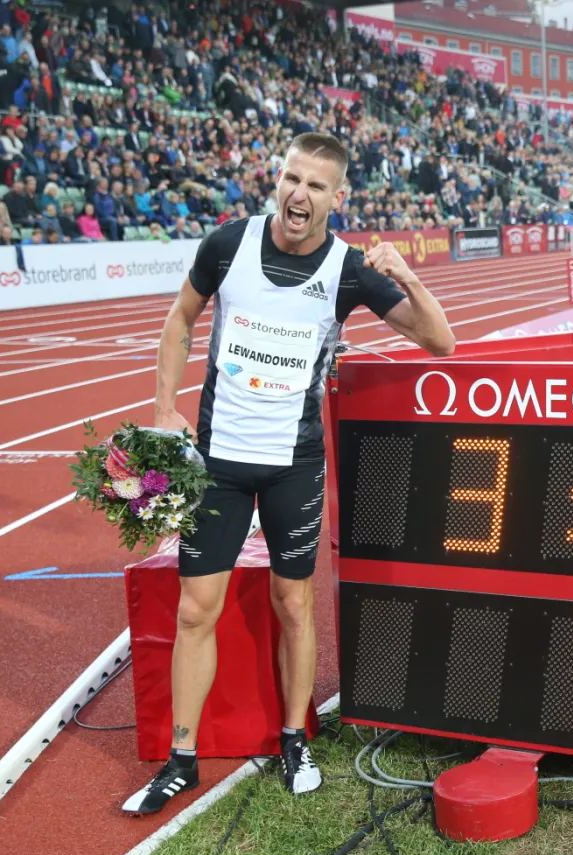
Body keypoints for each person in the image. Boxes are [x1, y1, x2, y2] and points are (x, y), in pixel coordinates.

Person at [126, 132, 455, 816]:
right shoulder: (227, 244)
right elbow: (180, 321)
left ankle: (292, 738)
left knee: (294, 603)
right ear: (277, 180)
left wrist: (409, 275)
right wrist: (163, 407)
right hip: (218, 461)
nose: (297, 195)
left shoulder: (348, 270)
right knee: (194, 608)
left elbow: (439, 342)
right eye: (290, 178)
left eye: (314, 185)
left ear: (337, 198)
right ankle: (180, 759)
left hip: (294, 465)